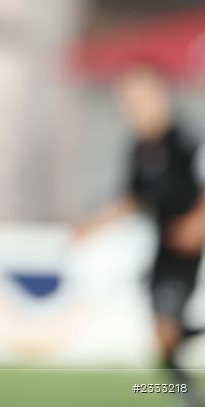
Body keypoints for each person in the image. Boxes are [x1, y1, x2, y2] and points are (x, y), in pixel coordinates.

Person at [74, 65, 205, 406]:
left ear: (159, 97)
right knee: (164, 337)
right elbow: (134, 198)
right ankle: (186, 396)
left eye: (137, 98)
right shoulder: (141, 148)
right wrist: (94, 224)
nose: (130, 107)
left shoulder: (186, 139)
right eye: (127, 100)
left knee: (166, 332)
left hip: (189, 249)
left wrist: (197, 221)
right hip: (165, 247)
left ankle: (186, 396)